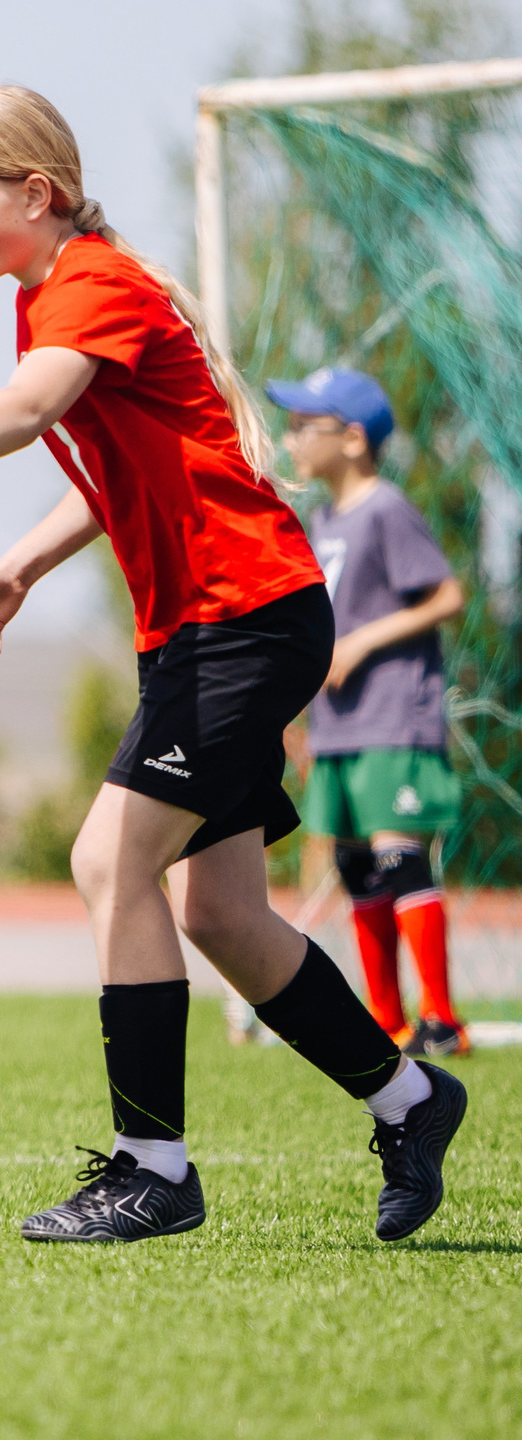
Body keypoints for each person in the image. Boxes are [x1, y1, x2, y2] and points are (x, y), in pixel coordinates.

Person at [0, 85, 467, 1244]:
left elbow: (26, 409)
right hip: (209, 630)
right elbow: (107, 472)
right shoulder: (48, 292)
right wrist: (19, 569)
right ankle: (409, 1099)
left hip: (243, 620)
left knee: (107, 860)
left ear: (32, 193)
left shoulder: (87, 285)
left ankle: (153, 1169)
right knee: (221, 911)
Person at [272, 366, 471, 1057]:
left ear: (353, 438)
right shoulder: (321, 519)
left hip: (392, 718)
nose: (290, 438)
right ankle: (386, 1022)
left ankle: (441, 1020)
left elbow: (446, 596)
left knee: (399, 859)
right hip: (339, 727)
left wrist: (363, 639)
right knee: (356, 868)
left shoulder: (384, 508)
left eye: (305, 426)